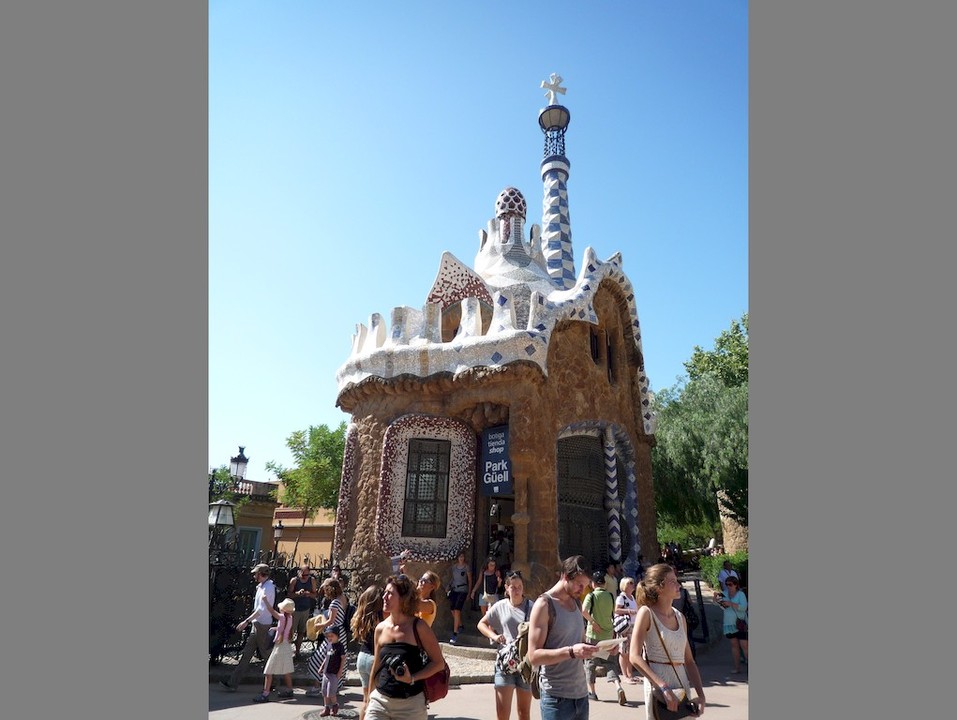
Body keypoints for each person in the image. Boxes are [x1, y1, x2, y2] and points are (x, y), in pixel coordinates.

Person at [628, 564, 706, 719]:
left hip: (681, 685)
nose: (678, 585)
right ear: (659, 587)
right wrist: (663, 687)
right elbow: (634, 656)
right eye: (672, 581)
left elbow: (689, 661)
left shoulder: (680, 617)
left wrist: (701, 695)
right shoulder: (646, 613)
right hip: (658, 689)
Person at [526, 555, 600, 720]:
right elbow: (534, 656)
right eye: (580, 585)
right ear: (565, 576)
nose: (582, 591)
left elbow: (579, 644)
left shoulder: (577, 604)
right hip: (556, 699)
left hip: (581, 696)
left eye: (586, 586)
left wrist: (600, 648)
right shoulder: (544, 605)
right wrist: (571, 652)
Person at [365, 574, 446, 720]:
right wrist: (368, 700)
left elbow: (439, 663)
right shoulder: (381, 628)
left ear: (403, 599)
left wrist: (413, 678)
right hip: (380, 702)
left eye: (390, 594)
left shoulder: (419, 627)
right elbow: (376, 666)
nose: (384, 597)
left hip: (411, 706)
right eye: (385, 592)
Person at [477, 570, 534, 720]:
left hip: (525, 665)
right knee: (502, 713)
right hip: (504, 663)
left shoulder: (532, 607)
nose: (516, 590)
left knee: (524, 712)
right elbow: (482, 624)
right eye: (513, 587)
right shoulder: (500, 606)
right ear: (507, 588)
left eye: (519, 586)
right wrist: (494, 636)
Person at [220, 563, 281, 692]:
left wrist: (246, 621)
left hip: (262, 625)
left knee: (265, 654)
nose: (254, 575)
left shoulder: (268, 588)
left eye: (256, 573)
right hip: (257, 624)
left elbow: (261, 610)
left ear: (261, 574)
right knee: (247, 655)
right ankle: (233, 683)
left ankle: (275, 681)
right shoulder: (262, 586)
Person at [582, 570, 627, 705]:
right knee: (610, 663)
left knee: (590, 664)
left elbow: (583, 611)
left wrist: (593, 622)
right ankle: (618, 687)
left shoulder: (591, 596)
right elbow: (611, 614)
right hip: (608, 634)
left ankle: (593, 692)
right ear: (604, 583)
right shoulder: (610, 596)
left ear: (593, 583)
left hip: (593, 635)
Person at [307, 579, 347, 697]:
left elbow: (331, 621)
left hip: (333, 633)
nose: (324, 591)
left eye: (325, 588)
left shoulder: (334, 602)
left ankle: (317, 686)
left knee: (320, 659)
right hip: (341, 633)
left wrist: (319, 625)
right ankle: (334, 687)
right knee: (336, 659)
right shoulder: (343, 598)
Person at [253, 597, 297, 703]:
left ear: (283, 609)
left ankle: (265, 694)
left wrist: (265, 601)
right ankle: (290, 690)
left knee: (269, 671)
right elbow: (284, 628)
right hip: (286, 645)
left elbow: (272, 611)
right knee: (286, 670)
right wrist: (276, 628)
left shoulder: (282, 617)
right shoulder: (289, 618)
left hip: (279, 646)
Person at [351, 585, 384, 720]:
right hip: (374, 660)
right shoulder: (381, 617)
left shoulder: (362, 616)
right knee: (376, 703)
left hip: (362, 657)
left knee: (366, 700)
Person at [718, 576, 749, 674]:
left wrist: (730, 604)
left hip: (740, 623)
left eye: (730, 584)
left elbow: (744, 608)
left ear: (736, 585)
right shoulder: (724, 593)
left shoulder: (740, 594)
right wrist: (716, 600)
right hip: (729, 623)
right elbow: (720, 605)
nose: (728, 586)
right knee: (734, 646)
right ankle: (737, 668)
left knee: (745, 646)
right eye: (726, 584)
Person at [289, 562, 319, 659]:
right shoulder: (294, 581)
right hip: (295, 609)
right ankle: (287, 652)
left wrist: (308, 594)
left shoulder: (312, 581)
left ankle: (297, 652)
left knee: (301, 632)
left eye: (307, 575)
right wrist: (297, 594)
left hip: (305, 608)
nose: (305, 577)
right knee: (291, 631)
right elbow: (289, 594)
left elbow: (315, 594)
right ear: (299, 572)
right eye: (303, 575)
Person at [614, 577, 640, 684]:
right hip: (625, 627)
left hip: (633, 626)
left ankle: (630, 674)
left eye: (633, 583)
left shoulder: (632, 597)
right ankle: (624, 675)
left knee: (630, 652)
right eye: (630, 583)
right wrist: (629, 611)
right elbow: (616, 610)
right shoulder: (622, 597)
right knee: (624, 652)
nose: (632, 585)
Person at [316, 628, 347, 716]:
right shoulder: (329, 645)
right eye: (328, 636)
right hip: (326, 672)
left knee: (331, 692)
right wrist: (322, 667)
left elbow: (343, 659)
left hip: (334, 673)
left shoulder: (340, 646)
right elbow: (327, 657)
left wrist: (340, 671)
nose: (329, 638)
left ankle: (335, 705)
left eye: (332, 636)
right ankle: (326, 708)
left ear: (337, 636)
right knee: (324, 691)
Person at [447, 551, 473, 644]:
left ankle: (455, 633)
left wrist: (469, 592)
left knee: (457, 610)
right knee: (452, 610)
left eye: (463, 556)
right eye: (460, 556)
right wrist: (448, 586)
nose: (461, 558)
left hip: (463, 590)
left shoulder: (466, 567)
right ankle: (460, 625)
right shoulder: (454, 567)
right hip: (454, 589)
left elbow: (469, 580)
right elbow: (453, 578)